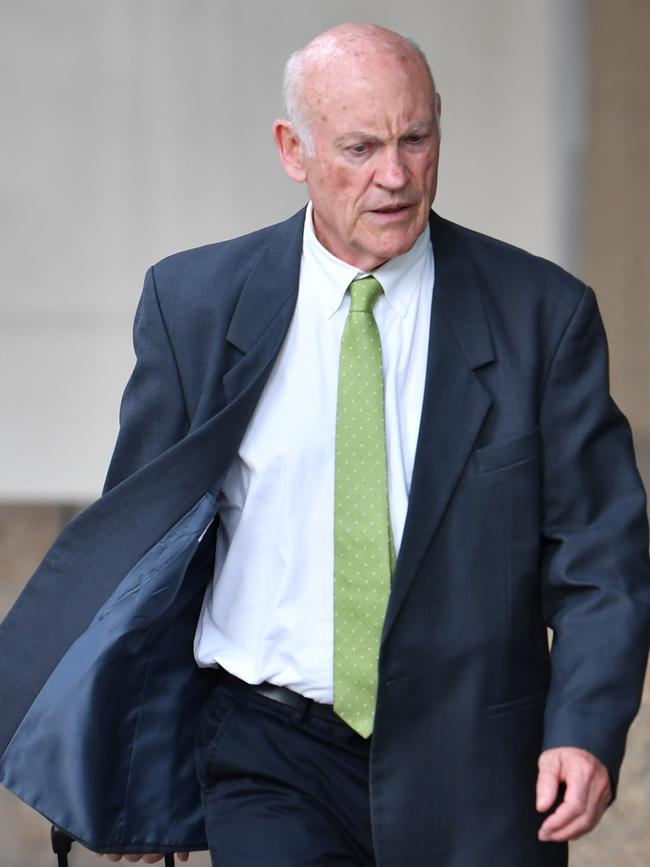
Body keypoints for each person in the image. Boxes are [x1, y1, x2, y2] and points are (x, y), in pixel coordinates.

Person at [0, 22, 648, 867]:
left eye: (416, 138)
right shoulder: (193, 304)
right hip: (267, 754)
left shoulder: (541, 316)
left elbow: (602, 556)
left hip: (478, 763)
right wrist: (133, 784)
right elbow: (142, 558)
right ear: (292, 150)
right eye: (361, 146)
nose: (396, 173)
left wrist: (587, 729)